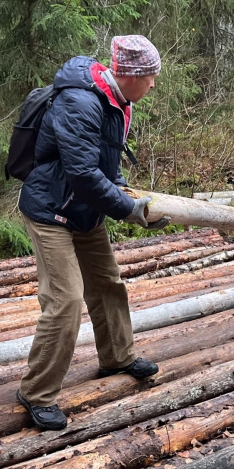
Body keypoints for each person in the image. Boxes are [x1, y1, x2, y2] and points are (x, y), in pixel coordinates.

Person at [16, 35, 168, 431]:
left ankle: (117, 356)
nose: (153, 83)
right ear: (130, 74)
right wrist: (129, 211)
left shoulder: (117, 100)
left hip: (84, 211)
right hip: (51, 212)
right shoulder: (81, 102)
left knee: (107, 284)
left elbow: (105, 162)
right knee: (65, 301)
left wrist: (132, 196)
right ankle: (36, 392)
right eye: (150, 75)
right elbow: (83, 175)